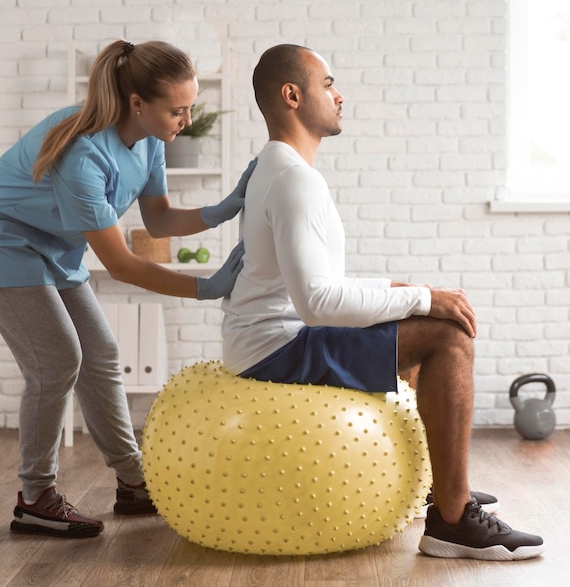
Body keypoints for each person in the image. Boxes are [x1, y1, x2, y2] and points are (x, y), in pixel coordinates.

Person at [221, 44, 544, 561]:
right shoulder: (292, 180)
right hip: (277, 347)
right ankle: (453, 519)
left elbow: (313, 285)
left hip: (271, 336)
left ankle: (436, 489)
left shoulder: (278, 167)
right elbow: (316, 303)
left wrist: (401, 291)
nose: (339, 95)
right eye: (328, 84)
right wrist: (422, 299)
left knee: (414, 309)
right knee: (448, 336)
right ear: (292, 95)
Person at [0, 39, 254, 539]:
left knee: (101, 354)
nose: (185, 119)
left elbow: (157, 219)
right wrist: (206, 288)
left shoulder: (152, 139)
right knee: (56, 362)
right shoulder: (84, 151)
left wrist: (222, 209)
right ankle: (35, 497)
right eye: (176, 110)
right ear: (138, 102)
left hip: (53, 245)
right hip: (2, 240)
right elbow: (120, 263)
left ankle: (134, 483)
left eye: (190, 108)